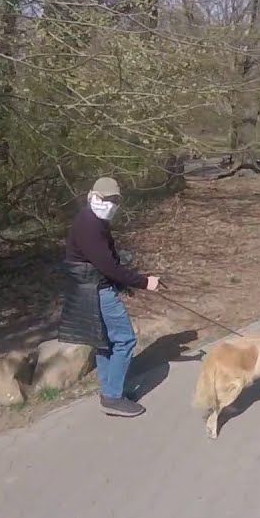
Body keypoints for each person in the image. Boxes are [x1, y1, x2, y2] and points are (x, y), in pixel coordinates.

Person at [58, 177, 160, 417]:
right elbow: (108, 266)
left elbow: (107, 259)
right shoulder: (90, 224)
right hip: (97, 290)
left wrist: (124, 282)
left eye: (115, 200)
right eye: (106, 199)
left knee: (104, 342)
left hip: (93, 288)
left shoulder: (94, 219)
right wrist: (144, 282)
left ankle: (111, 390)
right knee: (125, 340)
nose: (111, 204)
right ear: (93, 195)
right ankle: (113, 397)